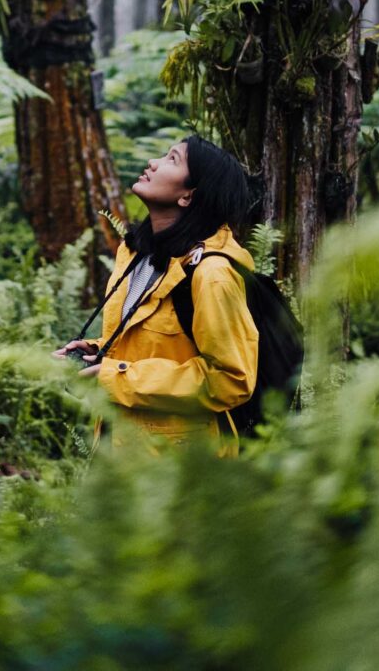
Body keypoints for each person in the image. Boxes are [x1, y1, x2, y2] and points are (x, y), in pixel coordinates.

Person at [55, 135, 259, 450]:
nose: (154, 163)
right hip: (120, 446)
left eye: (172, 160)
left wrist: (114, 376)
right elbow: (157, 345)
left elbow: (231, 379)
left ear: (188, 196)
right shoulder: (136, 252)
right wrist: (96, 352)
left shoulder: (211, 275)